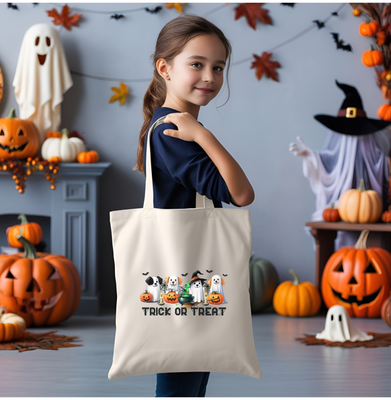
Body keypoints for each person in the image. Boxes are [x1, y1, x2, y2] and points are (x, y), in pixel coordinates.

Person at [132, 14, 254, 397]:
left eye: (218, 67)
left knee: (189, 367)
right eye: (197, 64)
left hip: (183, 270)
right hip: (184, 273)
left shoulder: (166, 123)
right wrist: (203, 134)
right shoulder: (174, 131)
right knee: (182, 371)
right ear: (164, 68)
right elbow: (241, 194)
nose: (210, 76)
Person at [289, 80, 391, 249]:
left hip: (371, 213)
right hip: (341, 211)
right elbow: (328, 161)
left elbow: (383, 166)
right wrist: (310, 156)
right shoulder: (336, 150)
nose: (352, 140)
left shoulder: (376, 156)